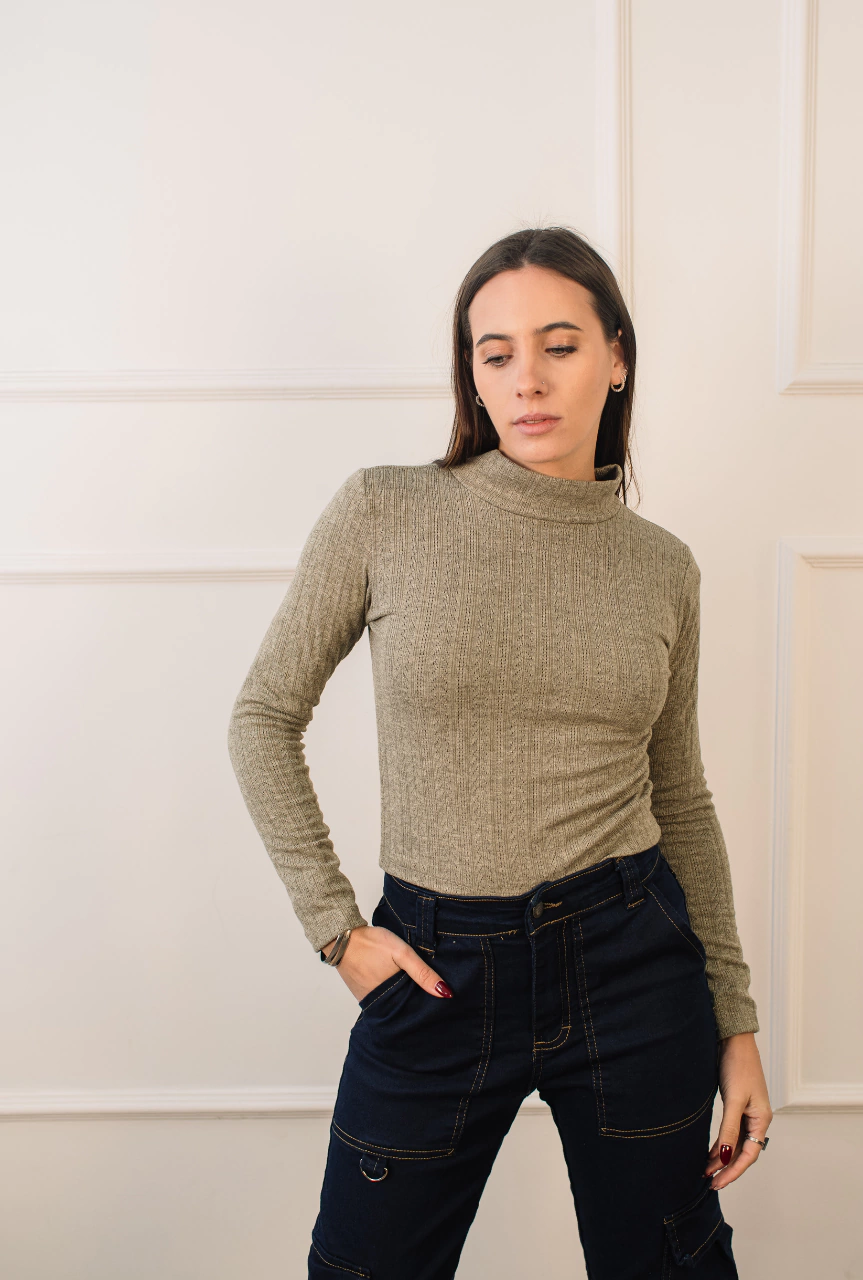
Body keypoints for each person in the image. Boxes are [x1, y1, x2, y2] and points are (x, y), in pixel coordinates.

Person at [227, 226, 772, 1280]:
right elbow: (263, 716)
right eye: (496, 353)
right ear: (471, 374)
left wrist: (736, 1021)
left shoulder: (661, 567)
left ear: (617, 357)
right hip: (437, 969)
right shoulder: (385, 509)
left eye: (559, 346)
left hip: (633, 962)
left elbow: (680, 796)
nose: (527, 379)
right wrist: (338, 931)